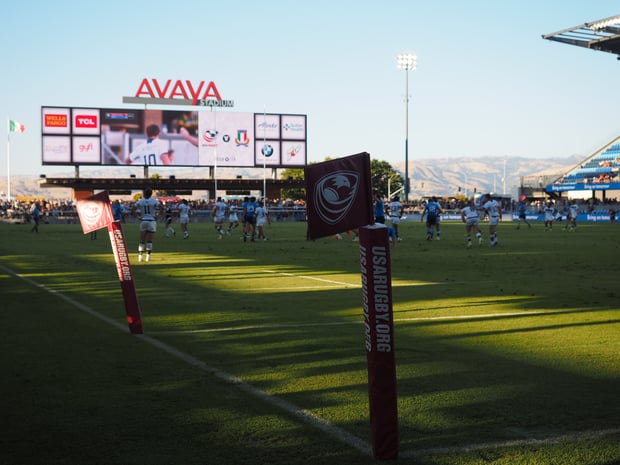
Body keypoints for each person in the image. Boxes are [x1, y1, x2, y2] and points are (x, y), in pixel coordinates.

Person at [133, 188, 160, 262]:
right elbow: (161, 208)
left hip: (143, 220)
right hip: (151, 221)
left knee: (142, 240)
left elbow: (133, 208)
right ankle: (148, 257)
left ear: (144, 193)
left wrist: (138, 216)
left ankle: (140, 257)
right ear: (151, 193)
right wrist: (157, 216)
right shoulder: (154, 201)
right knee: (149, 240)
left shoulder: (140, 201)